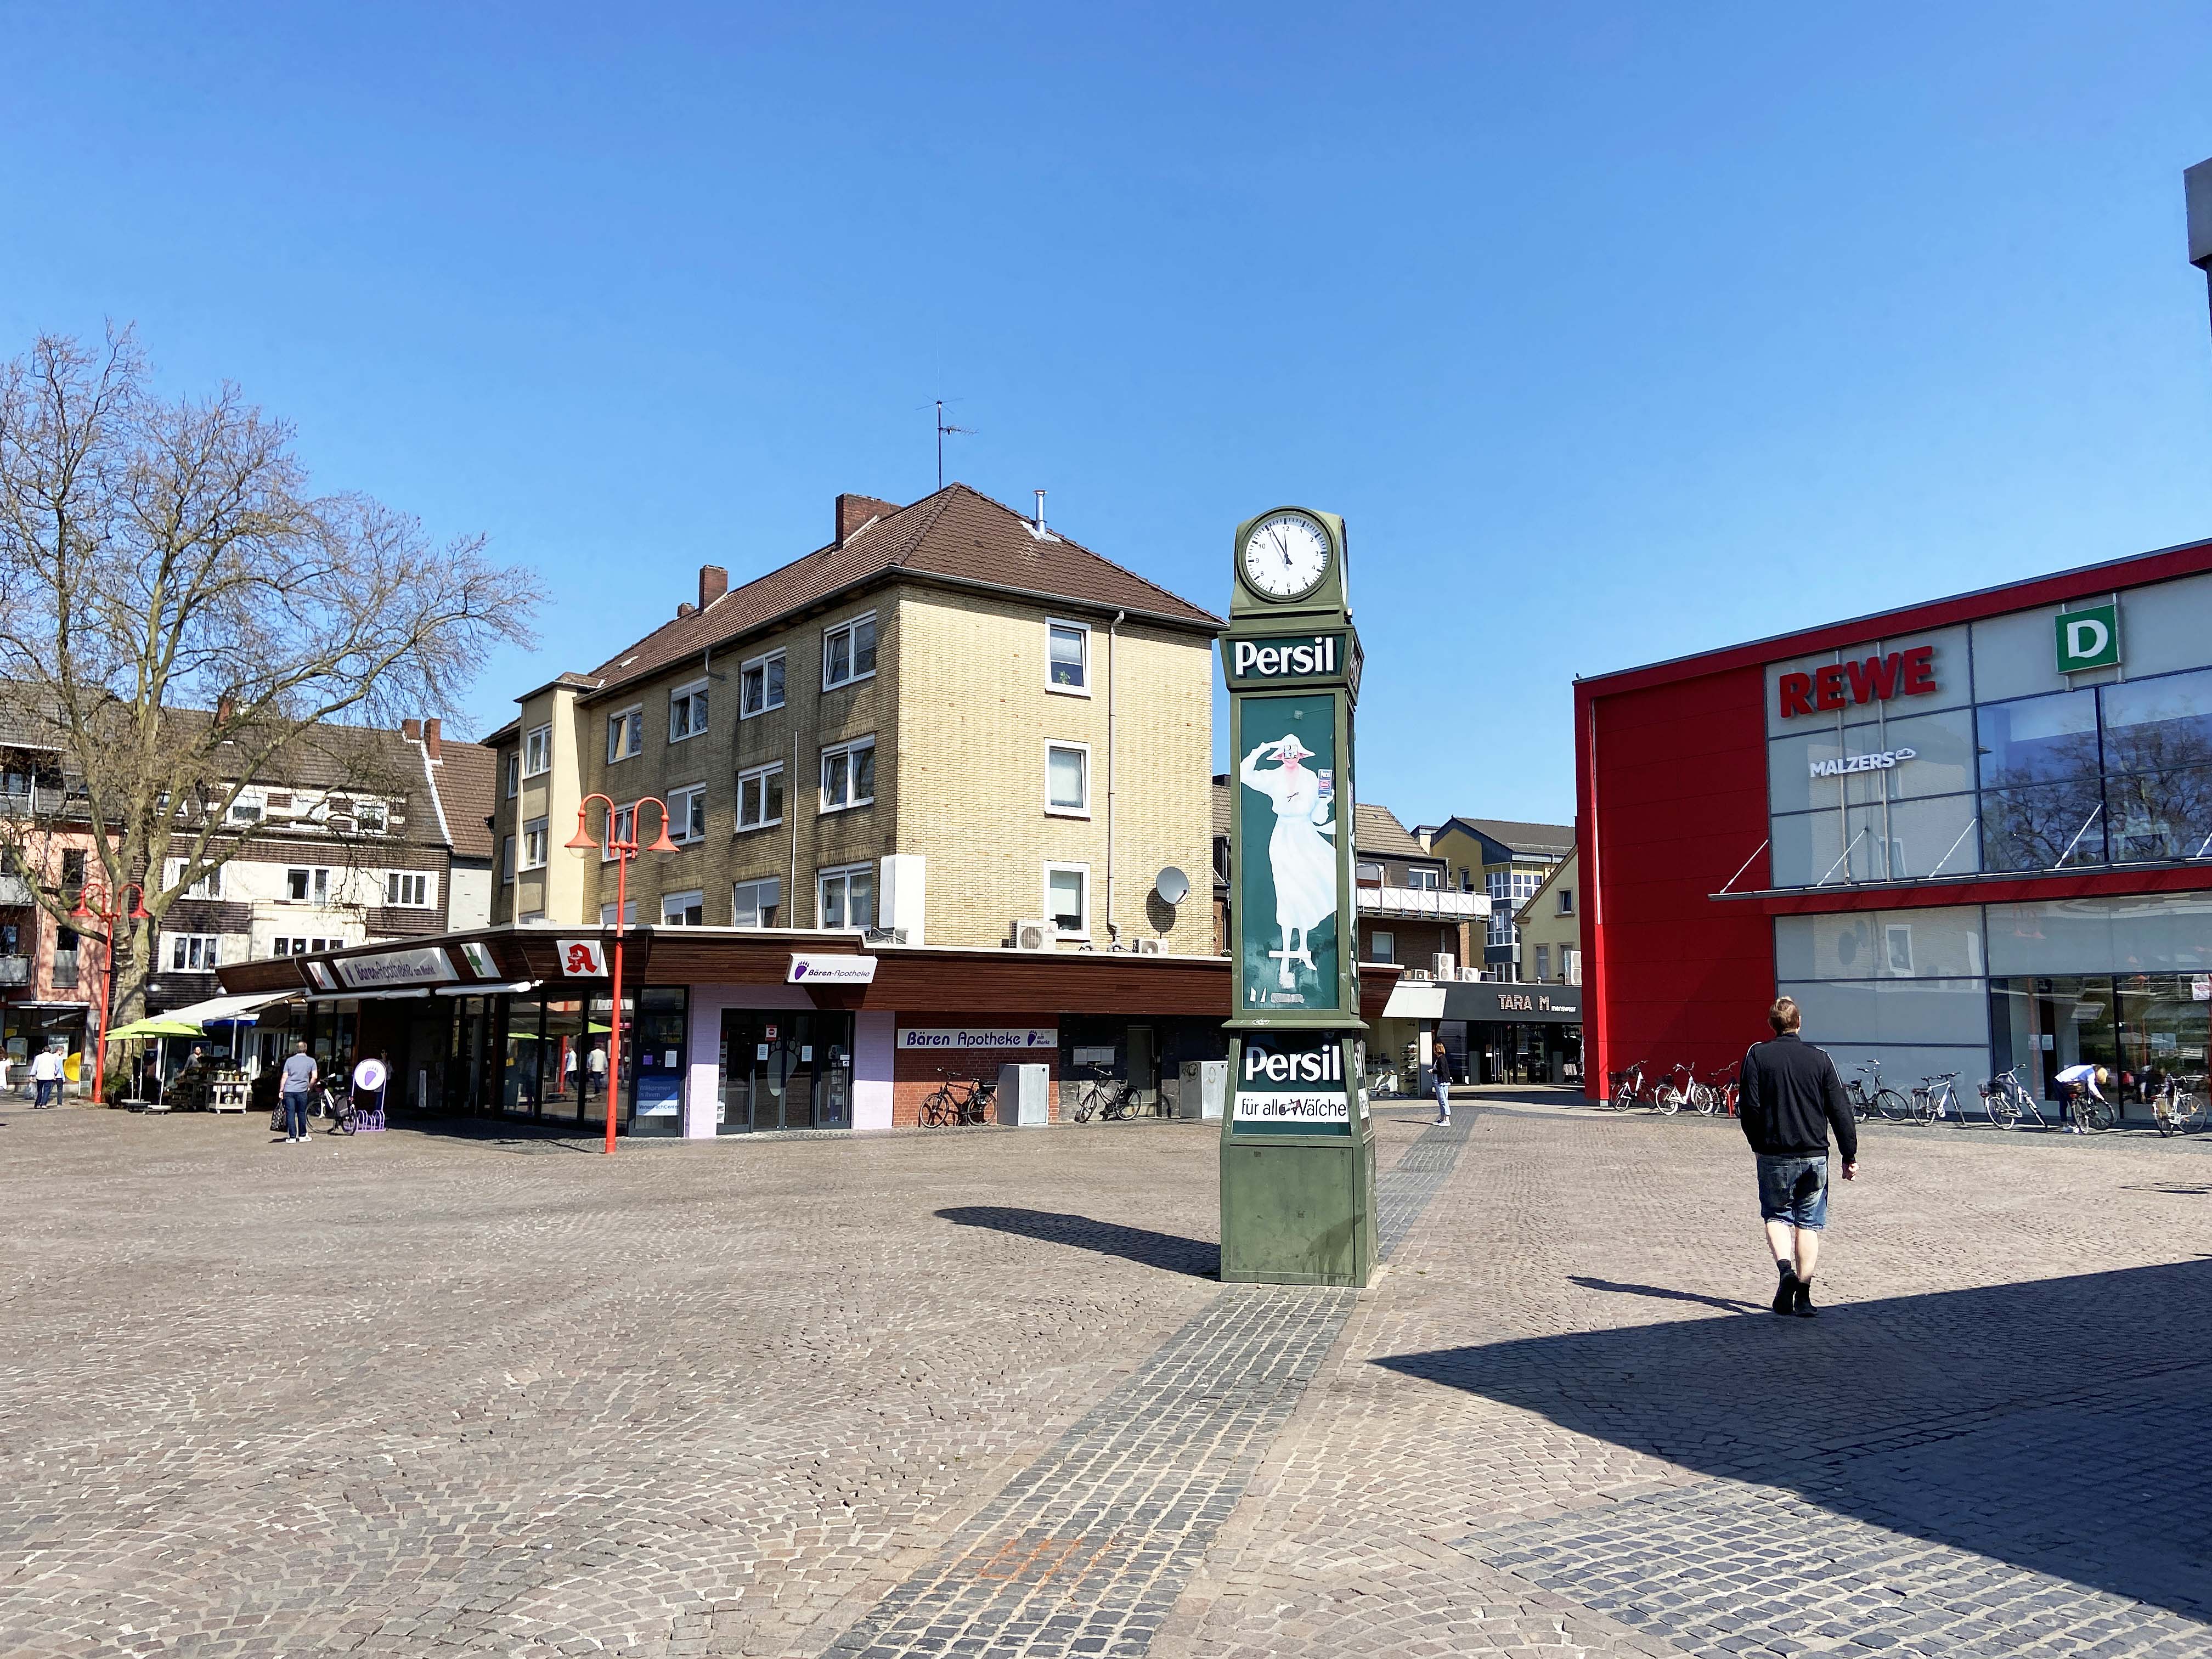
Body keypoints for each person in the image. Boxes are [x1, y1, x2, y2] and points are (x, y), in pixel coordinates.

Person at [1737, 996, 1858, 1317]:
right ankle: (1803, 1297)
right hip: (1814, 1154)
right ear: (1799, 1023)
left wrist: (1757, 1143)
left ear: (1771, 1025)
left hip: (1774, 1152)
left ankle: (1784, 1271)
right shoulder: (1820, 1059)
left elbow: (1748, 1107)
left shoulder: (1757, 1055)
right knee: (1808, 1225)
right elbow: (1840, 1110)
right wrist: (1850, 1154)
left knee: (1776, 1216)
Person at [279, 1041, 318, 1144]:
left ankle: (292, 1137)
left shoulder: (289, 1061)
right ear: (306, 1049)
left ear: (296, 1050)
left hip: (289, 1090)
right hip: (302, 1091)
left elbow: (284, 1077)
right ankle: (302, 1135)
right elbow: (315, 1077)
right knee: (301, 1113)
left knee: (290, 1113)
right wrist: (309, 1087)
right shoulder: (311, 1061)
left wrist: (281, 1090)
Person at [2054, 1062, 2108, 1134]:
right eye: (2097, 1080)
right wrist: (2099, 1095)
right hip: (2066, 1083)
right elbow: (2092, 1087)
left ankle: (2065, 1126)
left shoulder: (2087, 1068)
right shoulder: (2091, 1073)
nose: (2096, 1081)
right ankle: (2077, 1125)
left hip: (2058, 1080)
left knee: (2063, 1104)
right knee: (2074, 1103)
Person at [30, 1043, 66, 1109]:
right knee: (47, 1090)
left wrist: (32, 1075)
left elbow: (35, 1067)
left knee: (40, 1090)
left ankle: (38, 1103)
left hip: (40, 1076)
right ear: (50, 1051)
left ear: (43, 1050)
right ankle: (44, 1104)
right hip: (50, 1076)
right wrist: (55, 1073)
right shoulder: (53, 1057)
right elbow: (57, 1067)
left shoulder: (38, 1057)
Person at [1431, 1046, 1453, 1125]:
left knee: (1443, 1100)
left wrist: (1433, 1071)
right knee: (1441, 1101)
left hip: (1442, 1082)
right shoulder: (1440, 1059)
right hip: (1439, 1082)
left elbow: (1442, 1071)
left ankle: (1447, 1119)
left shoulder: (1441, 1059)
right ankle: (1442, 1118)